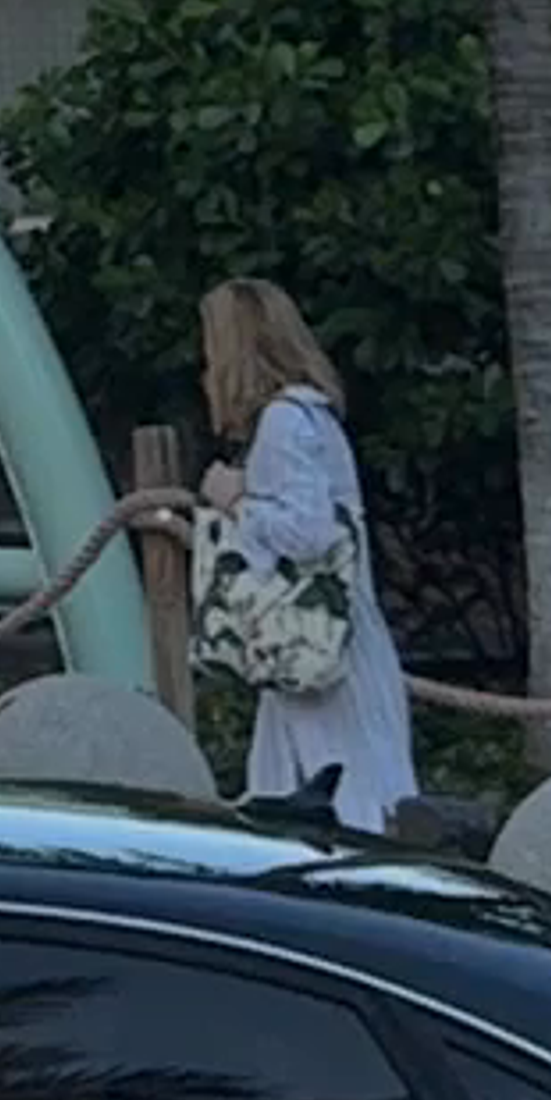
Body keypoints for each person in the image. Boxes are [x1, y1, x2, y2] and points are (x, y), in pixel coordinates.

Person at [196, 274, 417, 838]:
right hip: (316, 641)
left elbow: (308, 533)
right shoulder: (307, 418)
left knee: (346, 799)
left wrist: (237, 498)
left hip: (314, 644)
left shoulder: (284, 422)